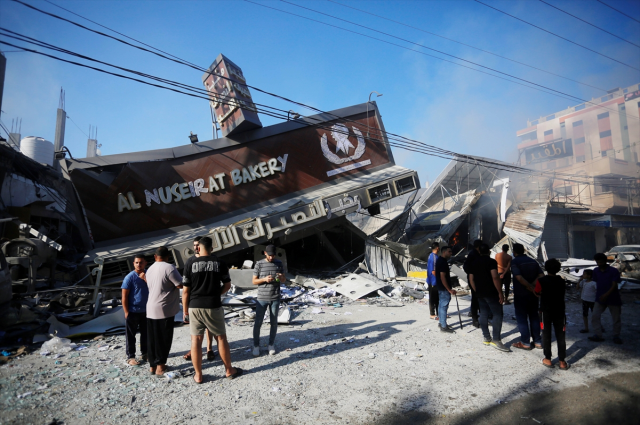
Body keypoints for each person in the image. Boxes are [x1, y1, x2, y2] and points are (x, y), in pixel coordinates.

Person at [182, 237, 243, 383]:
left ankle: (198, 375)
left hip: (195, 306)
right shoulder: (219, 263)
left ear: (198, 248)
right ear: (212, 248)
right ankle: (229, 370)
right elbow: (227, 285)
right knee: (221, 338)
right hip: (213, 305)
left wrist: (185, 311)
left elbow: (185, 291)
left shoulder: (189, 263)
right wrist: (216, 294)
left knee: (195, 340)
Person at [145, 246, 183, 376]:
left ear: (155, 257)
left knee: (152, 339)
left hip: (150, 308)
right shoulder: (169, 268)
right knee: (163, 338)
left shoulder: (149, 269)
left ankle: (152, 366)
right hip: (164, 309)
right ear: (168, 257)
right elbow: (180, 284)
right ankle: (160, 367)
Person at [468, 244, 509, 352]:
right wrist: (500, 292)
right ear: (489, 252)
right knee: (497, 314)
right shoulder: (491, 262)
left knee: (483, 314)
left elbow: (471, 278)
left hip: (480, 293)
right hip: (491, 292)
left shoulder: (474, 262)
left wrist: (476, 290)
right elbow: (495, 277)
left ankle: (486, 337)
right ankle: (496, 339)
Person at [183, 236, 217, 362]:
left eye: (198, 245)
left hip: (210, 302)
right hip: (195, 302)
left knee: (210, 328)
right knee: (196, 330)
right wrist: (185, 309)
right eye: (195, 245)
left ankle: (209, 349)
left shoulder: (214, 261)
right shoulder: (190, 262)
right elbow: (186, 289)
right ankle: (195, 350)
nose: (196, 247)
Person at [534, 259, 569, 370]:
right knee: (561, 336)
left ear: (546, 268)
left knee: (546, 334)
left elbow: (537, 292)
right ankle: (562, 361)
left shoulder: (541, 280)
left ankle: (548, 359)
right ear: (558, 269)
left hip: (546, 311)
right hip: (559, 311)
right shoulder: (561, 281)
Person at [252, 245, 286, 356]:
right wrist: (265, 279)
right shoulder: (259, 264)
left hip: (275, 297)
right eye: (269, 255)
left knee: (274, 323)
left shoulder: (279, 263)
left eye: (273, 255)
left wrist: (281, 277)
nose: (271, 257)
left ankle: (271, 344)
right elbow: (254, 281)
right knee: (258, 323)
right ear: (265, 253)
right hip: (262, 298)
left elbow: (284, 280)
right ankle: (256, 346)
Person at [510, 243, 544, 350]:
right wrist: (533, 286)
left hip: (521, 295)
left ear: (514, 252)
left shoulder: (515, 262)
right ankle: (537, 341)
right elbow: (541, 275)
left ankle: (525, 342)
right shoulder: (533, 261)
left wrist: (529, 286)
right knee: (534, 317)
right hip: (533, 294)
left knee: (522, 318)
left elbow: (519, 278)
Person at [589, 253, 623, 344]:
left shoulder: (613, 271)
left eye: (601, 262)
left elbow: (614, 285)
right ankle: (598, 335)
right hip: (600, 298)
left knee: (616, 318)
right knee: (595, 316)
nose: (599, 264)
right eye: (598, 262)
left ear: (605, 261)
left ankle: (616, 336)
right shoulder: (596, 271)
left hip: (613, 298)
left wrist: (606, 294)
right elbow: (595, 283)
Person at [121, 253, 149, 366]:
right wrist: (126, 312)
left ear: (145, 263)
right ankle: (131, 356)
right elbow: (124, 296)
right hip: (133, 311)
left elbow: (155, 287)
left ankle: (145, 353)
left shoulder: (149, 274)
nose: (139, 265)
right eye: (136, 262)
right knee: (131, 335)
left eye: (141, 262)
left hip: (146, 311)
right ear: (133, 264)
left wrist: (146, 279)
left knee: (146, 334)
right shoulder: (130, 277)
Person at [436, 246, 456, 333]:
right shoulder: (443, 262)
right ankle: (443, 326)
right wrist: (449, 289)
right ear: (444, 252)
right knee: (443, 306)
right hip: (444, 288)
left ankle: (441, 323)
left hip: (440, 287)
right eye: (449, 252)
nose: (451, 253)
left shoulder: (440, 260)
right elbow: (442, 276)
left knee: (441, 305)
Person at [463, 240, 482, 327]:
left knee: (480, 300)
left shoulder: (479, 254)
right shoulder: (472, 254)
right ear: (478, 247)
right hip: (474, 280)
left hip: (479, 280)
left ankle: (481, 317)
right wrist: (471, 274)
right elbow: (465, 266)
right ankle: (475, 319)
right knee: (475, 299)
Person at [577, 269, 596, 334]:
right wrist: (579, 280)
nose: (583, 275)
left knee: (595, 315)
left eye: (584, 274)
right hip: (585, 300)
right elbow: (577, 288)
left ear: (589, 275)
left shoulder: (594, 283)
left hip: (592, 301)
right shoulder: (583, 282)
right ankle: (586, 328)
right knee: (585, 314)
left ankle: (599, 327)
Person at [426, 242, 440, 320]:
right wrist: (440, 279)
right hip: (433, 281)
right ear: (437, 248)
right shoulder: (433, 257)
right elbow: (433, 271)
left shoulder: (433, 256)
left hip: (434, 281)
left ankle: (439, 313)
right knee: (433, 298)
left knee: (437, 298)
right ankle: (432, 314)